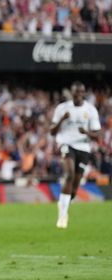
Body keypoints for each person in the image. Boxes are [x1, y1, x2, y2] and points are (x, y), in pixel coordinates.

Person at [50, 82, 101, 229]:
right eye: (75, 92)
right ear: (71, 93)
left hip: (83, 147)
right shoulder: (62, 108)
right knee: (69, 174)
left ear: (84, 93)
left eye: (80, 92)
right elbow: (52, 131)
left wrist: (87, 133)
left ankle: (64, 203)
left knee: (75, 185)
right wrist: (62, 120)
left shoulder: (90, 110)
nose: (78, 95)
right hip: (66, 143)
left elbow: (98, 135)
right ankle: (62, 215)